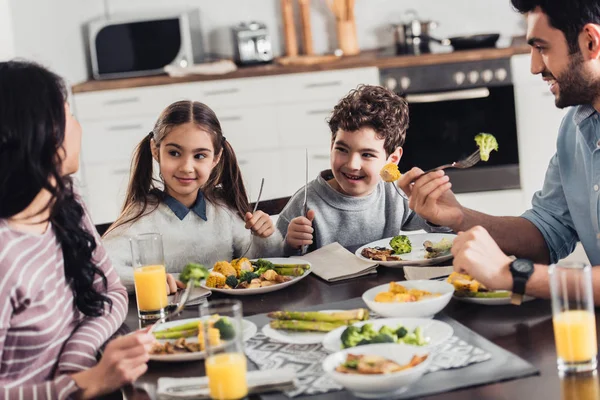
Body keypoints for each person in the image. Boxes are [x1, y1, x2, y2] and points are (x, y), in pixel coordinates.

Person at [397, 0, 600, 303]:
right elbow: (547, 233)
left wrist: (513, 275)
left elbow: (522, 267)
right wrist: (458, 217)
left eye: (542, 48)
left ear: (590, 42)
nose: (534, 67)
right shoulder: (576, 127)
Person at [0, 61, 153, 398]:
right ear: (42, 133)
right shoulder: (5, 254)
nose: (78, 127)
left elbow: (110, 293)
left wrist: (77, 363)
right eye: (68, 115)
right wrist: (85, 382)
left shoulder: (65, 202)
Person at [103, 100, 283, 293]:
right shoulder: (141, 217)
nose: (186, 167)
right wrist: (152, 280)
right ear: (155, 151)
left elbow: (256, 263)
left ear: (215, 158)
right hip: (172, 317)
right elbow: (101, 270)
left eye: (199, 156)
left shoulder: (222, 208)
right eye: (174, 153)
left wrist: (264, 237)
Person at [277, 85, 449, 255]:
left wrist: (436, 215)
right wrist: (290, 245)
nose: (352, 164)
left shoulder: (397, 193)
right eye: (342, 149)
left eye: (367, 154)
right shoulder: (304, 203)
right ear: (332, 144)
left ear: (393, 159)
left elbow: (448, 237)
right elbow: (271, 264)